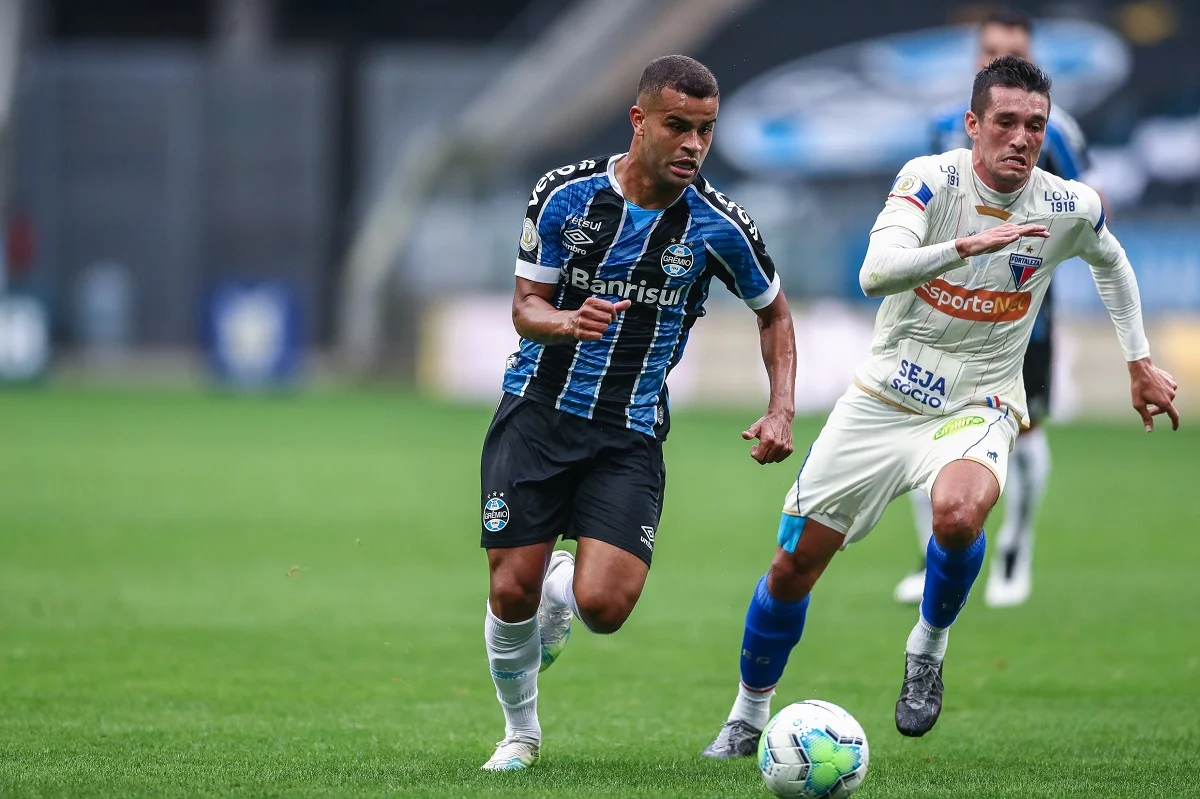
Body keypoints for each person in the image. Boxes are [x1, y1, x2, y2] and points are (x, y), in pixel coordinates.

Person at [701, 55, 1178, 757]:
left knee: (958, 514)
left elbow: (1111, 259)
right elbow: (873, 273)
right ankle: (747, 713)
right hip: (883, 396)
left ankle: (927, 646)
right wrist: (964, 247)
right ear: (973, 125)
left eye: (1035, 126)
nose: (1021, 138)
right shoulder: (929, 180)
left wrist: (1138, 360)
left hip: (979, 399)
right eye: (1007, 122)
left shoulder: (1066, 203)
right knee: (793, 563)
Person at [480, 54, 798, 771]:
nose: (693, 144)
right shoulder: (563, 196)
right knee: (508, 586)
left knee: (605, 606)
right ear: (639, 121)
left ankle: (565, 585)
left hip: (628, 435)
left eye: (706, 131)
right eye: (678, 126)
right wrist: (566, 322)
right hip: (536, 411)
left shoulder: (720, 226)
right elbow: (525, 307)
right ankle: (521, 733)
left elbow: (774, 313)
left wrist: (780, 407)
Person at [896, 8, 1094, 608]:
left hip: (1020, 314)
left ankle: (1015, 550)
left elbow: (1089, 209)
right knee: (921, 425)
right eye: (989, 50)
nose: (996, 59)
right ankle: (935, 557)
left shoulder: (1056, 134)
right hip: (940, 306)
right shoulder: (938, 129)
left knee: (1025, 430)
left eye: (1012, 52)